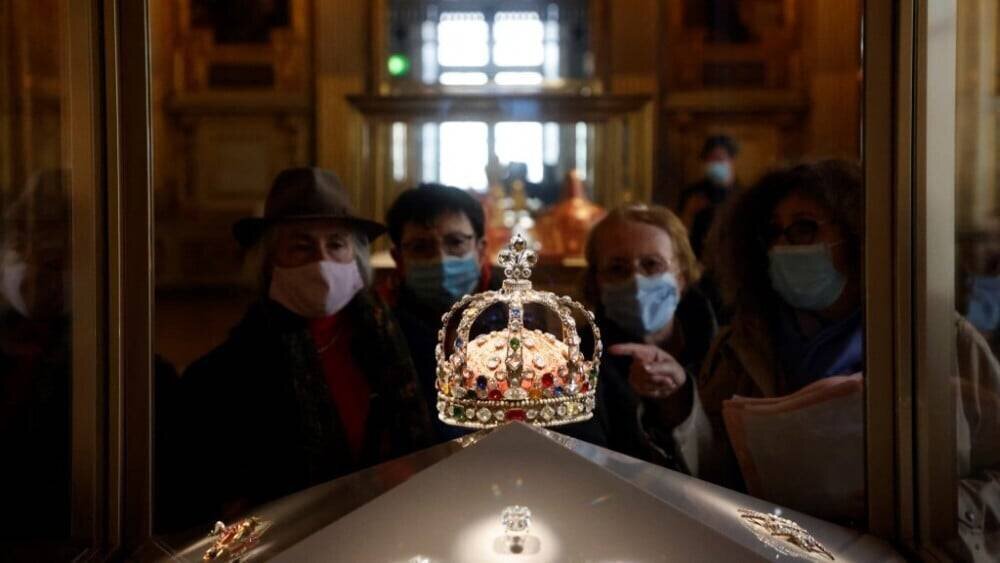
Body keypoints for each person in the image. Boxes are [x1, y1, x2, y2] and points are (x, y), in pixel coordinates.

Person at [666, 159, 1000, 558]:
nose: (783, 246)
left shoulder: (942, 341)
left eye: (804, 227)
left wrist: (920, 510)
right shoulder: (740, 345)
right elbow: (712, 472)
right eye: (772, 232)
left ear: (859, 235)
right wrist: (679, 404)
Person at [167, 168, 433, 530]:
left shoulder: (413, 342)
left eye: (336, 244)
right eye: (301, 246)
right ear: (268, 263)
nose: (321, 262)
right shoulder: (221, 377)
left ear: (355, 257)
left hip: (409, 526)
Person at [583, 204, 717, 466]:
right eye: (617, 269)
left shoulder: (726, 350)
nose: (636, 282)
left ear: (681, 276)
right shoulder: (577, 360)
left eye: (652, 264)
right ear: (596, 282)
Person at [380, 184, 496, 441]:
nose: (440, 259)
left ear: (480, 250)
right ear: (398, 259)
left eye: (455, 242)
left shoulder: (524, 318)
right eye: (420, 247)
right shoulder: (380, 331)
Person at [0, 170, 72, 540]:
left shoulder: (108, 359)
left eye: (53, 258)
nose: (32, 265)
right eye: (20, 246)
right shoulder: (9, 338)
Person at [677, 135, 740, 259]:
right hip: (696, 258)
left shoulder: (742, 195)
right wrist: (689, 213)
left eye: (719, 158)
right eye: (710, 159)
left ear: (731, 161)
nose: (715, 164)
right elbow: (678, 235)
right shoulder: (692, 193)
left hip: (731, 259)